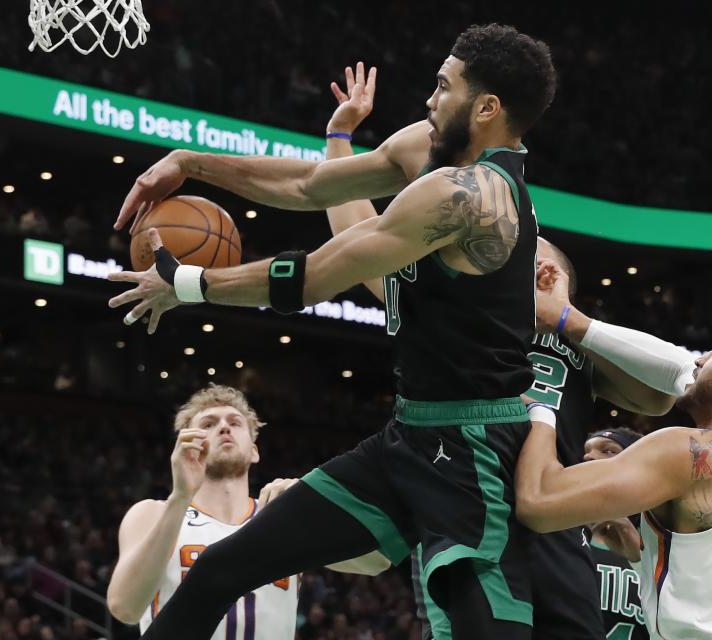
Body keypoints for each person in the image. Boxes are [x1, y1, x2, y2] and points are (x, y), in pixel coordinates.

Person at [110, 25, 557, 640]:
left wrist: (188, 284)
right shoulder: (423, 150)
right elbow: (309, 185)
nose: (429, 99)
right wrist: (191, 164)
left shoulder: (476, 197)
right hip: (408, 438)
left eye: (443, 86)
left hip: (475, 450)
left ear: (486, 109)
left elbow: (314, 276)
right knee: (218, 569)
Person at [320, 67, 671, 640]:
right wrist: (339, 140)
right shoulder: (467, 313)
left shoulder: (586, 350)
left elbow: (659, 396)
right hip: (463, 514)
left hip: (553, 535)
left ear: (548, 272)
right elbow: (357, 242)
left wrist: (572, 325)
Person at [516, 263, 712, 640]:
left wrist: (542, 408)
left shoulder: (692, 454)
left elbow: (538, 502)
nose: (699, 359)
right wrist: (566, 318)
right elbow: (675, 364)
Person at [105, 384, 387, 637]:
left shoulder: (281, 518)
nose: (224, 428)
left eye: (234, 422)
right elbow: (125, 608)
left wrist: (313, 511)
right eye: (209, 423)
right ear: (187, 443)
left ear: (254, 450)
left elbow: (376, 563)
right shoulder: (154, 513)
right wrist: (181, 496)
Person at [582, 429, 649, 640]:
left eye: (608, 451)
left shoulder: (663, 542)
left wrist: (643, 561)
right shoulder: (555, 532)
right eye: (586, 451)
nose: (589, 457)